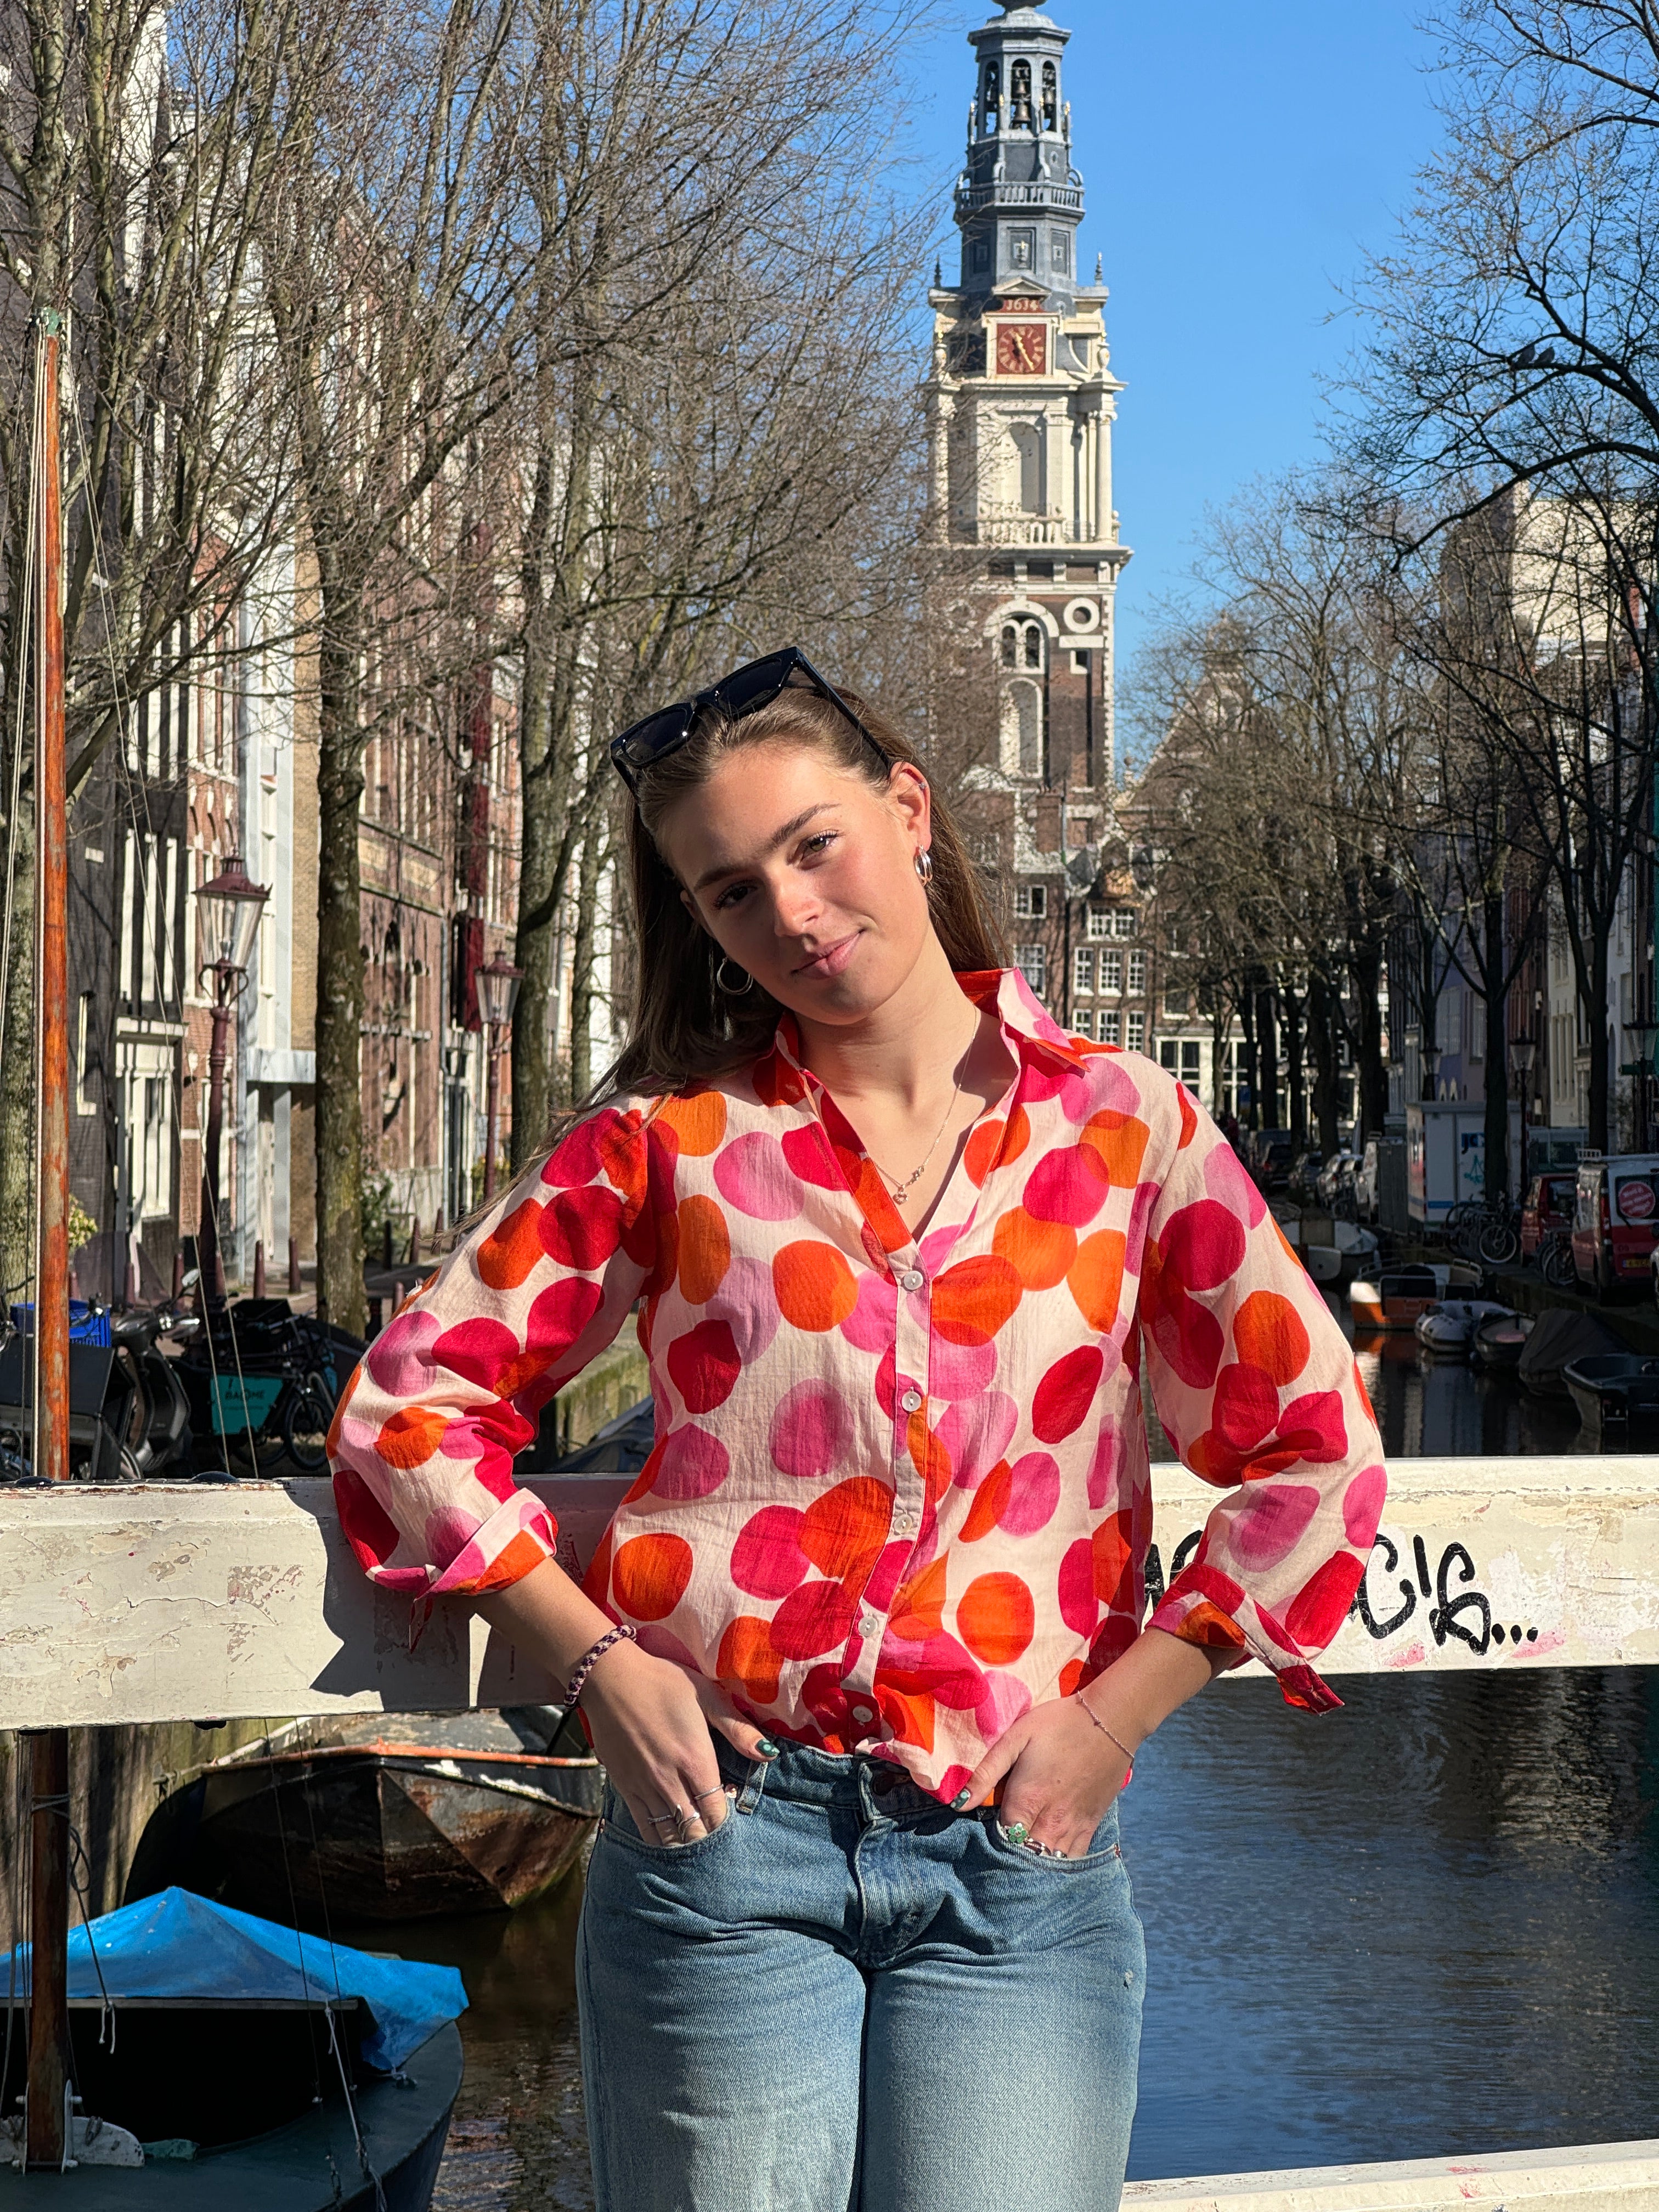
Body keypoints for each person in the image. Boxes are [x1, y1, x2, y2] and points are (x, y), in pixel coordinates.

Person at [330, 648, 1387, 2212]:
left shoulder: (1128, 1130)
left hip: (1017, 1852)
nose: (794, 915)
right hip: (724, 1840)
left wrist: (1115, 1723)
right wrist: (595, 1664)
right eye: (732, 892)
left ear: (909, 810)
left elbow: (1315, 1449)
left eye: (814, 845)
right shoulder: (665, 1143)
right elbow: (410, 1407)